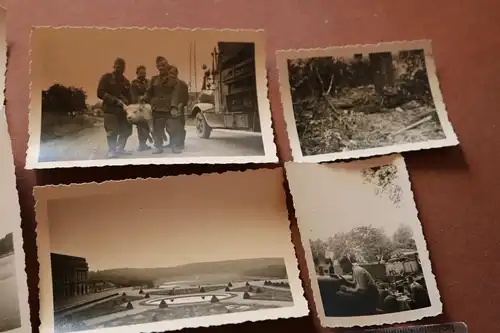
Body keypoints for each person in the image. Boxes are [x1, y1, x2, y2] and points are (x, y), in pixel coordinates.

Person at [97, 57, 132, 158]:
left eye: (121, 67)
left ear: (124, 68)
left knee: (127, 130)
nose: (119, 69)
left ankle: (120, 149)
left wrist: (130, 105)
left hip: (123, 111)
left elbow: (130, 97)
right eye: (117, 66)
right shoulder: (106, 78)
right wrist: (114, 100)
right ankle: (112, 150)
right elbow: (100, 92)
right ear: (114, 66)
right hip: (110, 110)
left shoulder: (126, 82)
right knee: (112, 131)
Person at [143, 56, 179, 154]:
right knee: (157, 129)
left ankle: (175, 146)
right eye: (159, 66)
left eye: (164, 65)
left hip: (169, 108)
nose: (162, 67)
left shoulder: (173, 79)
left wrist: (174, 106)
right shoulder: (154, 79)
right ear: (157, 67)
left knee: (172, 128)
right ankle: (158, 146)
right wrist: (143, 100)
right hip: (157, 108)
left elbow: (175, 93)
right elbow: (149, 92)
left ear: (167, 65)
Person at [168, 65, 189, 151]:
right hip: (169, 108)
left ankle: (180, 144)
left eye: (174, 73)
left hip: (179, 107)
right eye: (170, 73)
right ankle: (171, 143)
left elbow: (186, 97)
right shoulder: (167, 84)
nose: (172, 75)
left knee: (180, 126)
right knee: (170, 127)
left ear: (177, 73)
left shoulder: (183, 84)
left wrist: (181, 105)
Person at [130, 65, 151, 151]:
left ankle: (144, 143)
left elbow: (150, 92)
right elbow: (133, 96)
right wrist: (141, 98)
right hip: (138, 106)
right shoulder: (134, 83)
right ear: (137, 73)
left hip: (148, 106)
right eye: (141, 73)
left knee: (147, 125)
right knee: (140, 125)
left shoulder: (148, 82)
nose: (143, 74)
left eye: (144, 72)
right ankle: (141, 144)